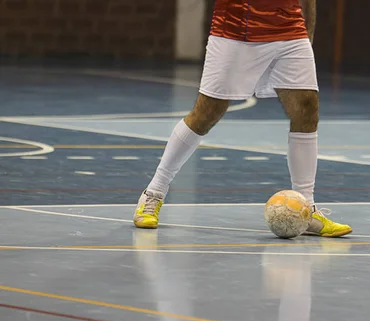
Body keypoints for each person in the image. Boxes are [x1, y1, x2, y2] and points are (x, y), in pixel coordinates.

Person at [133, 0, 352, 237]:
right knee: (207, 112)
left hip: (289, 29)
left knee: (307, 108)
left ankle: (306, 208)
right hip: (236, 29)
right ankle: (153, 193)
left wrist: (306, 32)